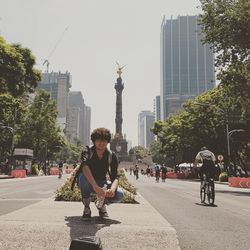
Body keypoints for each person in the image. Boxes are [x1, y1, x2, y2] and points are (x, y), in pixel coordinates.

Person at [78, 128, 124, 219]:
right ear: (94, 141)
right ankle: (86, 207)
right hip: (87, 183)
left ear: (108, 142)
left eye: (104, 141)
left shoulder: (111, 155)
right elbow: (84, 167)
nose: (101, 143)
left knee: (119, 194)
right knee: (83, 177)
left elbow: (115, 176)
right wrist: (95, 186)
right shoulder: (87, 151)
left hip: (102, 183)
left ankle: (101, 204)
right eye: (98, 140)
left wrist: (112, 189)